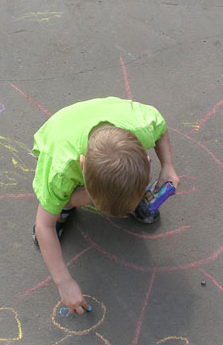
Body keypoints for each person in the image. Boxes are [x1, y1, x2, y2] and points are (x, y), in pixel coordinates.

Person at [32, 97, 180, 313]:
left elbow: (162, 126)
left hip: (110, 120)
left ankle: (122, 192)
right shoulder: (60, 170)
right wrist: (63, 281)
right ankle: (66, 208)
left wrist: (168, 166)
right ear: (82, 166)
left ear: (145, 160)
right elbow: (43, 226)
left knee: (113, 182)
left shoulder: (143, 128)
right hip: (60, 132)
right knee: (62, 202)